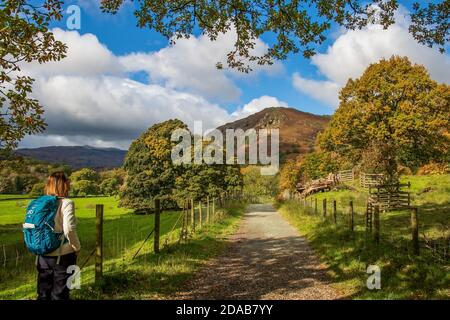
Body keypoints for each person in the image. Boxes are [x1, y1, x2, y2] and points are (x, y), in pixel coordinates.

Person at [37, 172, 81, 300]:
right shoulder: (66, 203)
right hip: (62, 255)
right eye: (67, 182)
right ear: (64, 185)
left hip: (43, 254)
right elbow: (69, 229)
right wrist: (76, 247)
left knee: (43, 294)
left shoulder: (40, 203)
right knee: (60, 294)